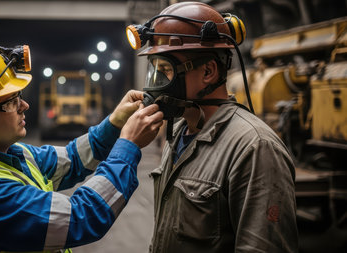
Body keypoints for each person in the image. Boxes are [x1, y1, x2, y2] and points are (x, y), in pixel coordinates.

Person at [0, 40, 163, 253]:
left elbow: (74, 159)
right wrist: (128, 145)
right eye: (10, 101)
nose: (24, 105)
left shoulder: (10, 155)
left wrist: (115, 123)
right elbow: (79, 217)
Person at [126, 2, 298, 252]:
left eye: (166, 71)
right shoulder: (180, 135)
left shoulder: (254, 148)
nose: (155, 85)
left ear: (208, 71)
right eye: (154, 71)